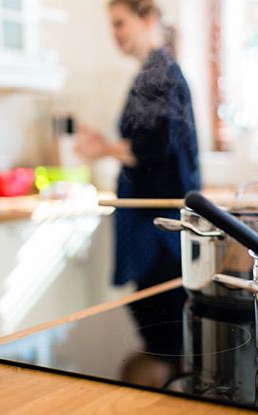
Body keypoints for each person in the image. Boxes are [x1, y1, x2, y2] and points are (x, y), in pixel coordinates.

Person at [75, 0, 201, 291]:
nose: (114, 34)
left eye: (120, 23)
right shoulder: (156, 72)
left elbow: (148, 150)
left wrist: (103, 149)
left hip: (159, 225)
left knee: (159, 315)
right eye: (112, 26)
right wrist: (105, 145)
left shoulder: (158, 76)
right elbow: (148, 143)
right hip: (158, 220)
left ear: (148, 20)